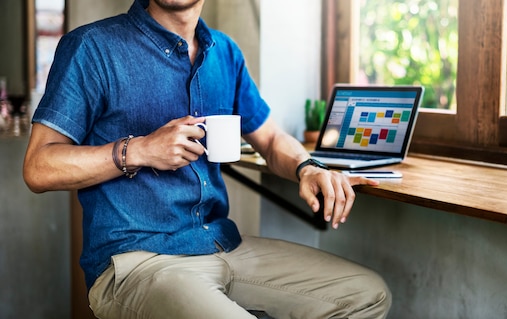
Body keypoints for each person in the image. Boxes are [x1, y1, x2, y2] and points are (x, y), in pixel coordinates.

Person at [22, 0, 391, 318]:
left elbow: (272, 138)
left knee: (365, 295)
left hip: (220, 244)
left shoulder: (225, 53)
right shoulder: (91, 47)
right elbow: (38, 167)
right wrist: (140, 149)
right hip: (136, 261)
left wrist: (307, 167)